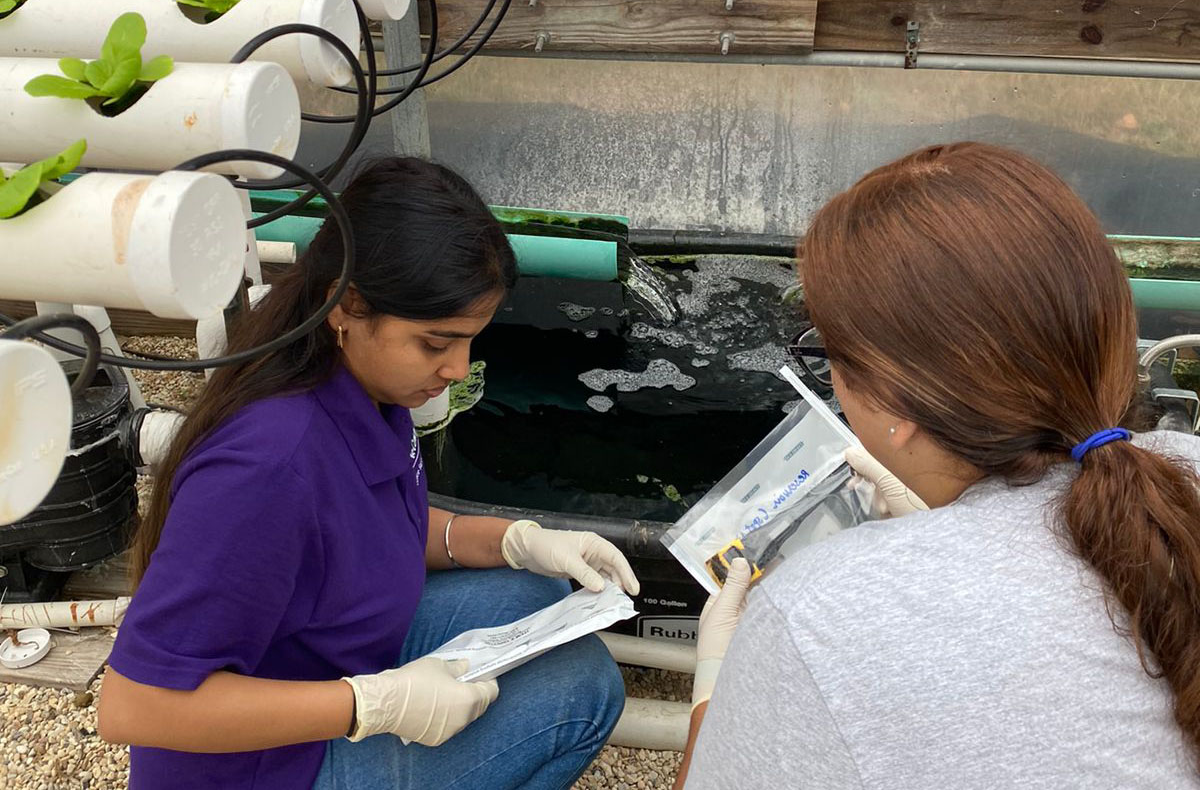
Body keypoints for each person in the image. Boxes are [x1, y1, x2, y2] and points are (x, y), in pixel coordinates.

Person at [98, 157, 638, 790]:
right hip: (265, 766)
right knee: (584, 690)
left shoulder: (362, 384)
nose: (458, 370)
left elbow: (369, 525)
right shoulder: (266, 469)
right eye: (437, 343)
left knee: (537, 592)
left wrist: (511, 539)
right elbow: (134, 706)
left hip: (325, 667)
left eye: (471, 341)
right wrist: (369, 706)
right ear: (348, 306)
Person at [676, 143, 1200, 789]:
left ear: (895, 403)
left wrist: (720, 681)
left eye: (827, 352)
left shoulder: (817, 617)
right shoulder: (1178, 473)